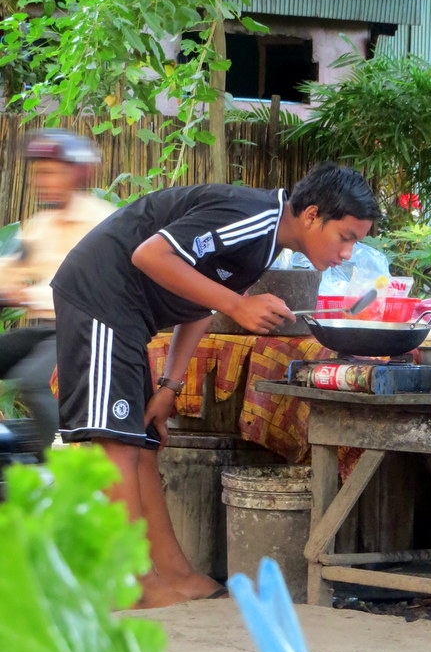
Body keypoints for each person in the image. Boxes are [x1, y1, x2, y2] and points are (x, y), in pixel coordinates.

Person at [50, 162, 381, 607]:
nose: (348, 253)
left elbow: (198, 305)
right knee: (117, 447)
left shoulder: (264, 242)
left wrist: (169, 386)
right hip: (101, 297)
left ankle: (175, 574)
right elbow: (149, 255)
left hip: (127, 316)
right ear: (312, 214)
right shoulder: (253, 215)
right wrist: (238, 305)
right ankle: (128, 581)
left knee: (141, 441)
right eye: (346, 237)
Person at [0, 129, 116, 454]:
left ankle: (61, 463)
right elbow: (11, 271)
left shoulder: (102, 221)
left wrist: (28, 295)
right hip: (43, 330)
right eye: (39, 173)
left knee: (34, 381)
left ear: (77, 173)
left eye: (52, 171)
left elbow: (100, 289)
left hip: (83, 330)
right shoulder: (40, 225)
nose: (43, 180)